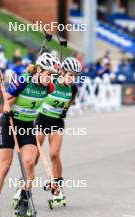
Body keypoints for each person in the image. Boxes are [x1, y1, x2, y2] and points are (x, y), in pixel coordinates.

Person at [0, 53, 60, 217]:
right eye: (48, 74)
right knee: (5, 165)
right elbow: (7, 102)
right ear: (39, 70)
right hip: (9, 124)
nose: (50, 79)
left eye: (52, 75)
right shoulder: (24, 80)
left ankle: (24, 205)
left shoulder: (49, 87)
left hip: (26, 126)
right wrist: (8, 107)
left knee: (29, 164)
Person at [35, 57, 82, 208]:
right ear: (61, 71)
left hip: (56, 121)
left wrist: (65, 110)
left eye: (75, 76)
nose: (73, 79)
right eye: (70, 75)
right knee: (35, 156)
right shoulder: (51, 81)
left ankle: (58, 189)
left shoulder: (73, 88)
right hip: (41, 119)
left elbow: (71, 100)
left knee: (54, 154)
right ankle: (24, 186)